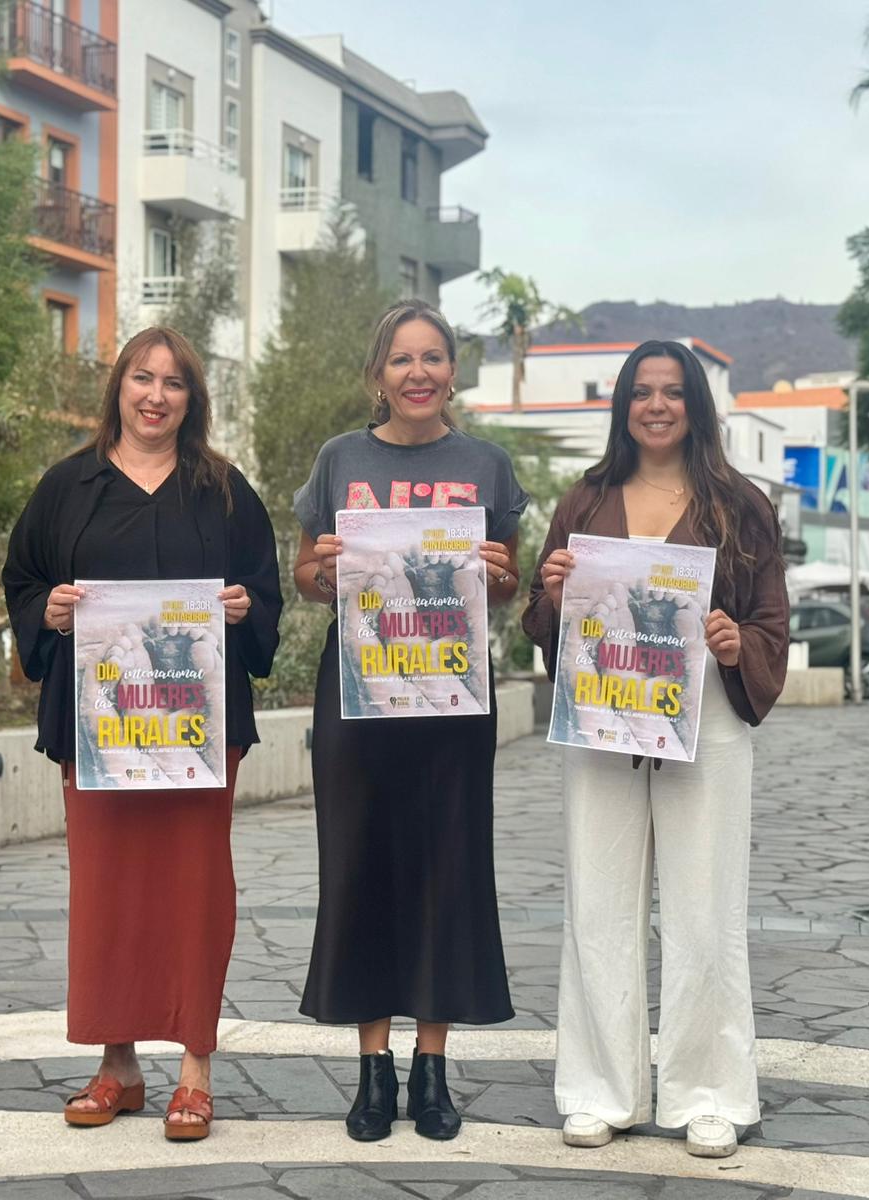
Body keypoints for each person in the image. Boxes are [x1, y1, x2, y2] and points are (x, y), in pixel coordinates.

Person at [2, 327, 282, 1140]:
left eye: (174, 383)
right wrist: (46, 611)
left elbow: (264, 597)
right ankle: (117, 1065)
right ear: (118, 387)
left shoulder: (226, 492)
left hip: (197, 727)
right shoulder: (68, 487)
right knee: (107, 889)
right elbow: (23, 578)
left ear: (193, 400)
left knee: (197, 888)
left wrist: (244, 608)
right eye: (142, 378)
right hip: (100, 726)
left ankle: (195, 1068)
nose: (156, 395)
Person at [521, 340, 789, 1158]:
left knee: (706, 909)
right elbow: (539, 617)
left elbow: (772, 622)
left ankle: (709, 1090)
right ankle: (601, 1088)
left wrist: (738, 644)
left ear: (697, 405)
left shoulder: (740, 506)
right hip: (605, 713)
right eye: (642, 392)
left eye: (674, 392)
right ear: (623, 405)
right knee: (597, 905)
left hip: (703, 713)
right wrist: (557, 594)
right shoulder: (587, 498)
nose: (658, 405)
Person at [293, 300, 527, 1143]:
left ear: (453, 372)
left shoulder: (488, 465)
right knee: (361, 865)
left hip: (453, 694)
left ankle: (432, 1069)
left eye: (432, 358)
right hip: (359, 689)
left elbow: (504, 587)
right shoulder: (339, 459)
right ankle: (372, 1068)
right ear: (377, 375)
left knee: (448, 866)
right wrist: (319, 570)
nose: (417, 373)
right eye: (401, 360)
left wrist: (501, 573)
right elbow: (307, 579)